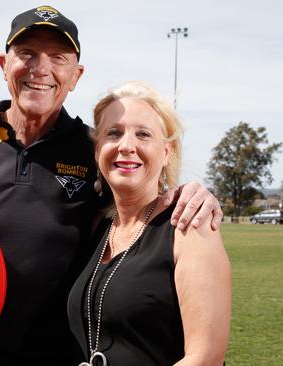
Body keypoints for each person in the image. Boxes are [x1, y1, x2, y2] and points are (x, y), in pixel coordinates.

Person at [0, 6, 223, 366]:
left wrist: (195, 192)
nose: (40, 69)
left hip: (63, 358)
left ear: (76, 75)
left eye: (58, 57)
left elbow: (143, 194)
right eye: (27, 54)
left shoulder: (96, 149)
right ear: (3, 64)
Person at [67, 81, 231, 366]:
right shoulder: (98, 228)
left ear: (166, 152)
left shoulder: (189, 227)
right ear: (97, 150)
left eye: (143, 134)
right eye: (113, 133)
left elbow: (205, 358)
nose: (126, 146)